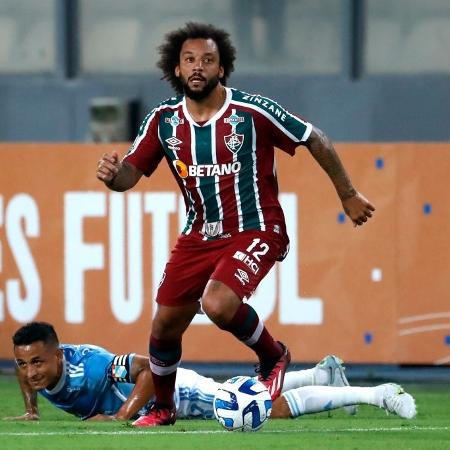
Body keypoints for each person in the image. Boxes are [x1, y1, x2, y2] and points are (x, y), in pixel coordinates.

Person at [95, 22, 375, 427]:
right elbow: (129, 176)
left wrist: (347, 194)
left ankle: (273, 355)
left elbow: (315, 137)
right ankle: (162, 406)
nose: (197, 67)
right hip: (199, 234)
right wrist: (112, 175)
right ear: (176, 69)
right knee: (164, 327)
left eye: (208, 60)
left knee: (218, 303)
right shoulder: (163, 122)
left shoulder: (251, 111)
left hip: (257, 227)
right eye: (189, 60)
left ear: (222, 69)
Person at [8, 322, 416, 422]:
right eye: (24, 363)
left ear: (59, 355)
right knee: (251, 394)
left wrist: (119, 417)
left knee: (266, 411)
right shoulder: (33, 368)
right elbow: (22, 373)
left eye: (38, 362)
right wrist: (32, 407)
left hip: (173, 394)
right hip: (166, 401)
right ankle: (321, 376)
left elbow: (149, 370)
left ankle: (376, 393)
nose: (31, 372)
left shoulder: (91, 367)